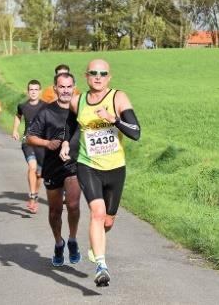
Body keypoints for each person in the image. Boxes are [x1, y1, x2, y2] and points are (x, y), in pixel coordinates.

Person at [60, 59, 141, 286]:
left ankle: (97, 244)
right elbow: (71, 125)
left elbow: (136, 132)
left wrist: (113, 119)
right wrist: (66, 143)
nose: (98, 77)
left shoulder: (118, 97)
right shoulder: (78, 101)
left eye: (103, 73)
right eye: (93, 73)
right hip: (88, 165)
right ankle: (101, 266)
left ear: (109, 76)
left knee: (107, 220)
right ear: (86, 76)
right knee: (97, 212)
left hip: (115, 167)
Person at [28, 73, 81, 267]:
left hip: (73, 165)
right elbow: (30, 137)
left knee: (73, 205)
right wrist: (47, 143)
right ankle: (59, 243)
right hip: (52, 167)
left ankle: (73, 239)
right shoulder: (46, 112)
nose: (66, 90)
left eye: (69, 86)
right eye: (62, 86)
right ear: (55, 88)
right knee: (55, 211)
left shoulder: (80, 110)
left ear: (74, 87)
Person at [12, 80, 46, 213]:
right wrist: (15, 130)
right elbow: (18, 116)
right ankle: (32, 195)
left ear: (40, 91)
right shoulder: (22, 106)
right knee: (32, 167)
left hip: (42, 143)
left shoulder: (46, 106)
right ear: (27, 91)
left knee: (39, 173)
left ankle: (35, 195)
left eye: (36, 89)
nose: (33, 92)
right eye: (31, 89)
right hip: (28, 141)